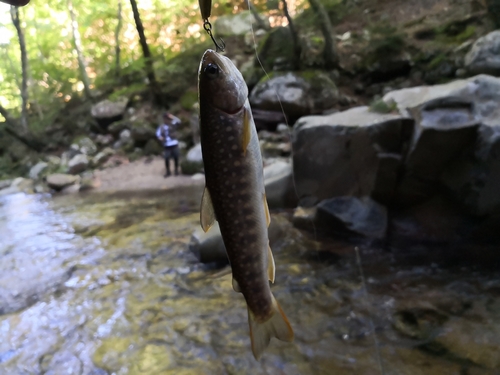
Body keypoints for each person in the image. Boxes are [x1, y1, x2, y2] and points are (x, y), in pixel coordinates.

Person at [156, 112, 181, 177]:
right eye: (165, 118)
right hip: (167, 145)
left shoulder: (172, 124)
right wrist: (160, 138)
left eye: (167, 118)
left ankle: (176, 170)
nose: (166, 120)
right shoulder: (161, 127)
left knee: (176, 157)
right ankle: (168, 171)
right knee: (166, 158)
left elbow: (179, 121)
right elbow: (158, 134)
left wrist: (172, 116)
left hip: (174, 143)